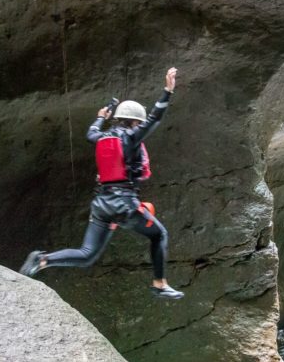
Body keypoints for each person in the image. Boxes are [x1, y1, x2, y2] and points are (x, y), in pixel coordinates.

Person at [18, 67, 184, 299]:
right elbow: (156, 117)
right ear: (136, 122)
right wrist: (168, 91)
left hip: (101, 204)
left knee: (87, 255)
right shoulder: (132, 136)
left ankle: (42, 259)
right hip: (123, 205)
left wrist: (100, 117)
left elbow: (91, 131)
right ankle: (159, 284)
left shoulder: (101, 136)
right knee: (159, 235)